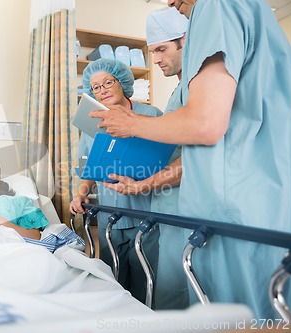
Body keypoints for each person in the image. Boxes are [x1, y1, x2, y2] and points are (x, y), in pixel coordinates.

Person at [90, 0, 291, 319]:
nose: (169, 3)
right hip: (252, 204)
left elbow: (205, 126)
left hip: (231, 208)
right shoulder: (251, 19)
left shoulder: (217, 6)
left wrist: (132, 125)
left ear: (187, 41)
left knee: (231, 315)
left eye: (162, 49)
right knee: (252, 311)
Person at [106, 7, 189, 310]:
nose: (154, 59)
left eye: (161, 49)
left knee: (178, 296)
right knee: (169, 293)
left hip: (187, 210)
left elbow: (193, 159)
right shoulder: (180, 92)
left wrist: (143, 185)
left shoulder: (198, 88)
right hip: (171, 210)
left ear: (185, 40)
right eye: (152, 51)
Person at [69, 58, 162, 303]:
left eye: (108, 82)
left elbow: (166, 160)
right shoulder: (92, 120)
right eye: (96, 87)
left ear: (122, 82)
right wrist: (80, 193)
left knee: (146, 281)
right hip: (110, 215)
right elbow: (87, 165)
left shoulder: (151, 114)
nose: (103, 90)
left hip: (147, 212)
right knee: (114, 280)